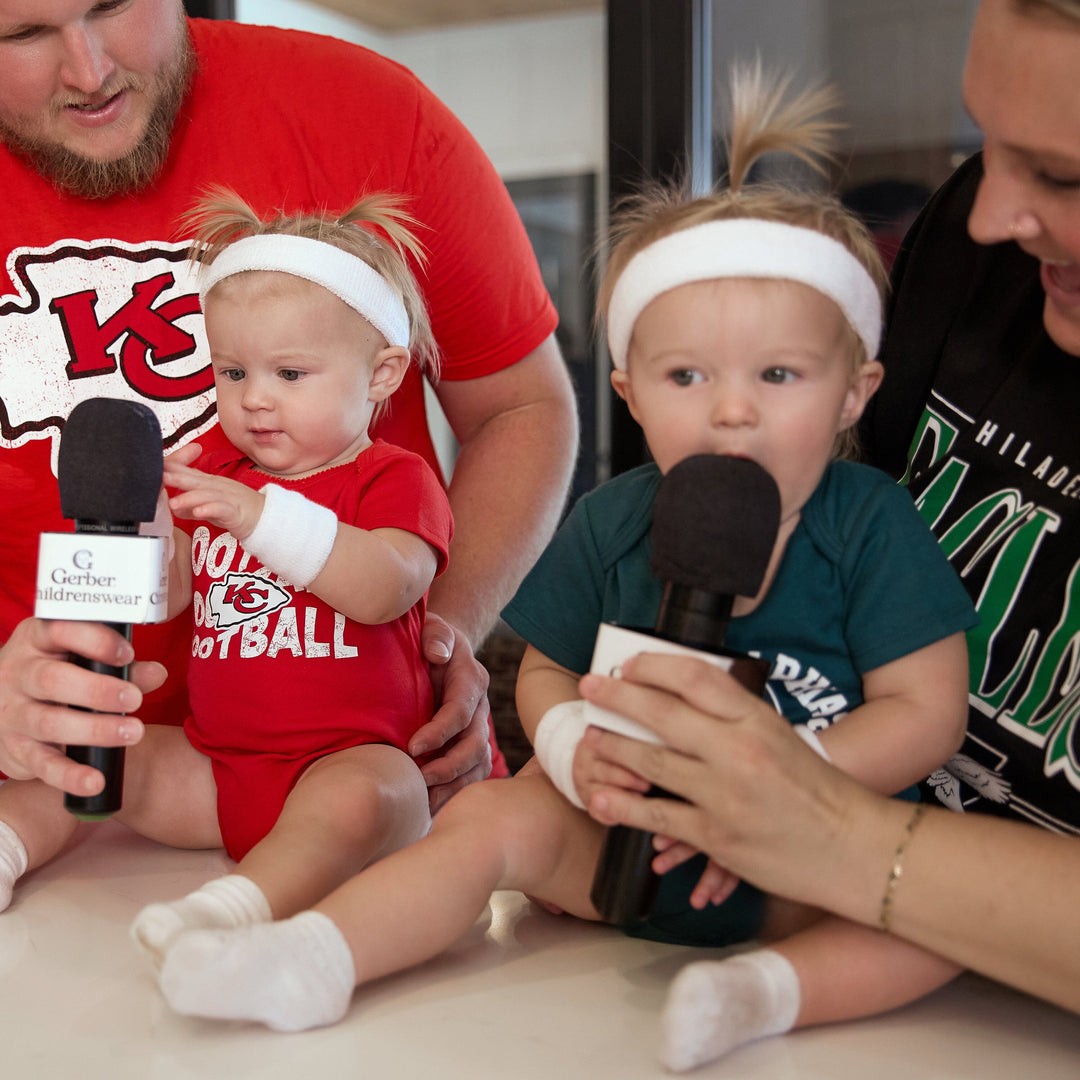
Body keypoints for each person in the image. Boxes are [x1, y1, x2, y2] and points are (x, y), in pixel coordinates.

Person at [142, 71, 977, 1063]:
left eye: (780, 376)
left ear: (855, 391)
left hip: (810, 849)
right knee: (495, 814)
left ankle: (765, 992)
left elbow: (928, 713)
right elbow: (540, 670)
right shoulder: (617, 516)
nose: (732, 410)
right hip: (621, 830)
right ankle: (317, 958)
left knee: (937, 914)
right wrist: (575, 741)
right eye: (685, 377)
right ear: (627, 388)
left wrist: (796, 785)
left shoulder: (870, 524)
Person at [577, 0, 1080, 1036]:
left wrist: (817, 812)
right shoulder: (987, 248)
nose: (990, 214)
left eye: (1064, 175)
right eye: (989, 144)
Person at [0, 0, 577, 811]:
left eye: (115, 5)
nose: (89, 71)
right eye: (23, 35)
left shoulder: (371, 109)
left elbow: (521, 410)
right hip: (58, 792)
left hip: (371, 777)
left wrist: (428, 639)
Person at [0, 191, 457, 964]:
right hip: (216, 768)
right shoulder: (219, 471)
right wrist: (148, 524)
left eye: (290, 372)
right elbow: (177, 597)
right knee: (94, 746)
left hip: (343, 761)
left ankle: (229, 913)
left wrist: (259, 518)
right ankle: (8, 845)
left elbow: (388, 585)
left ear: (380, 374)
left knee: (380, 793)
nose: (254, 397)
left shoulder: (392, 478)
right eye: (234, 369)